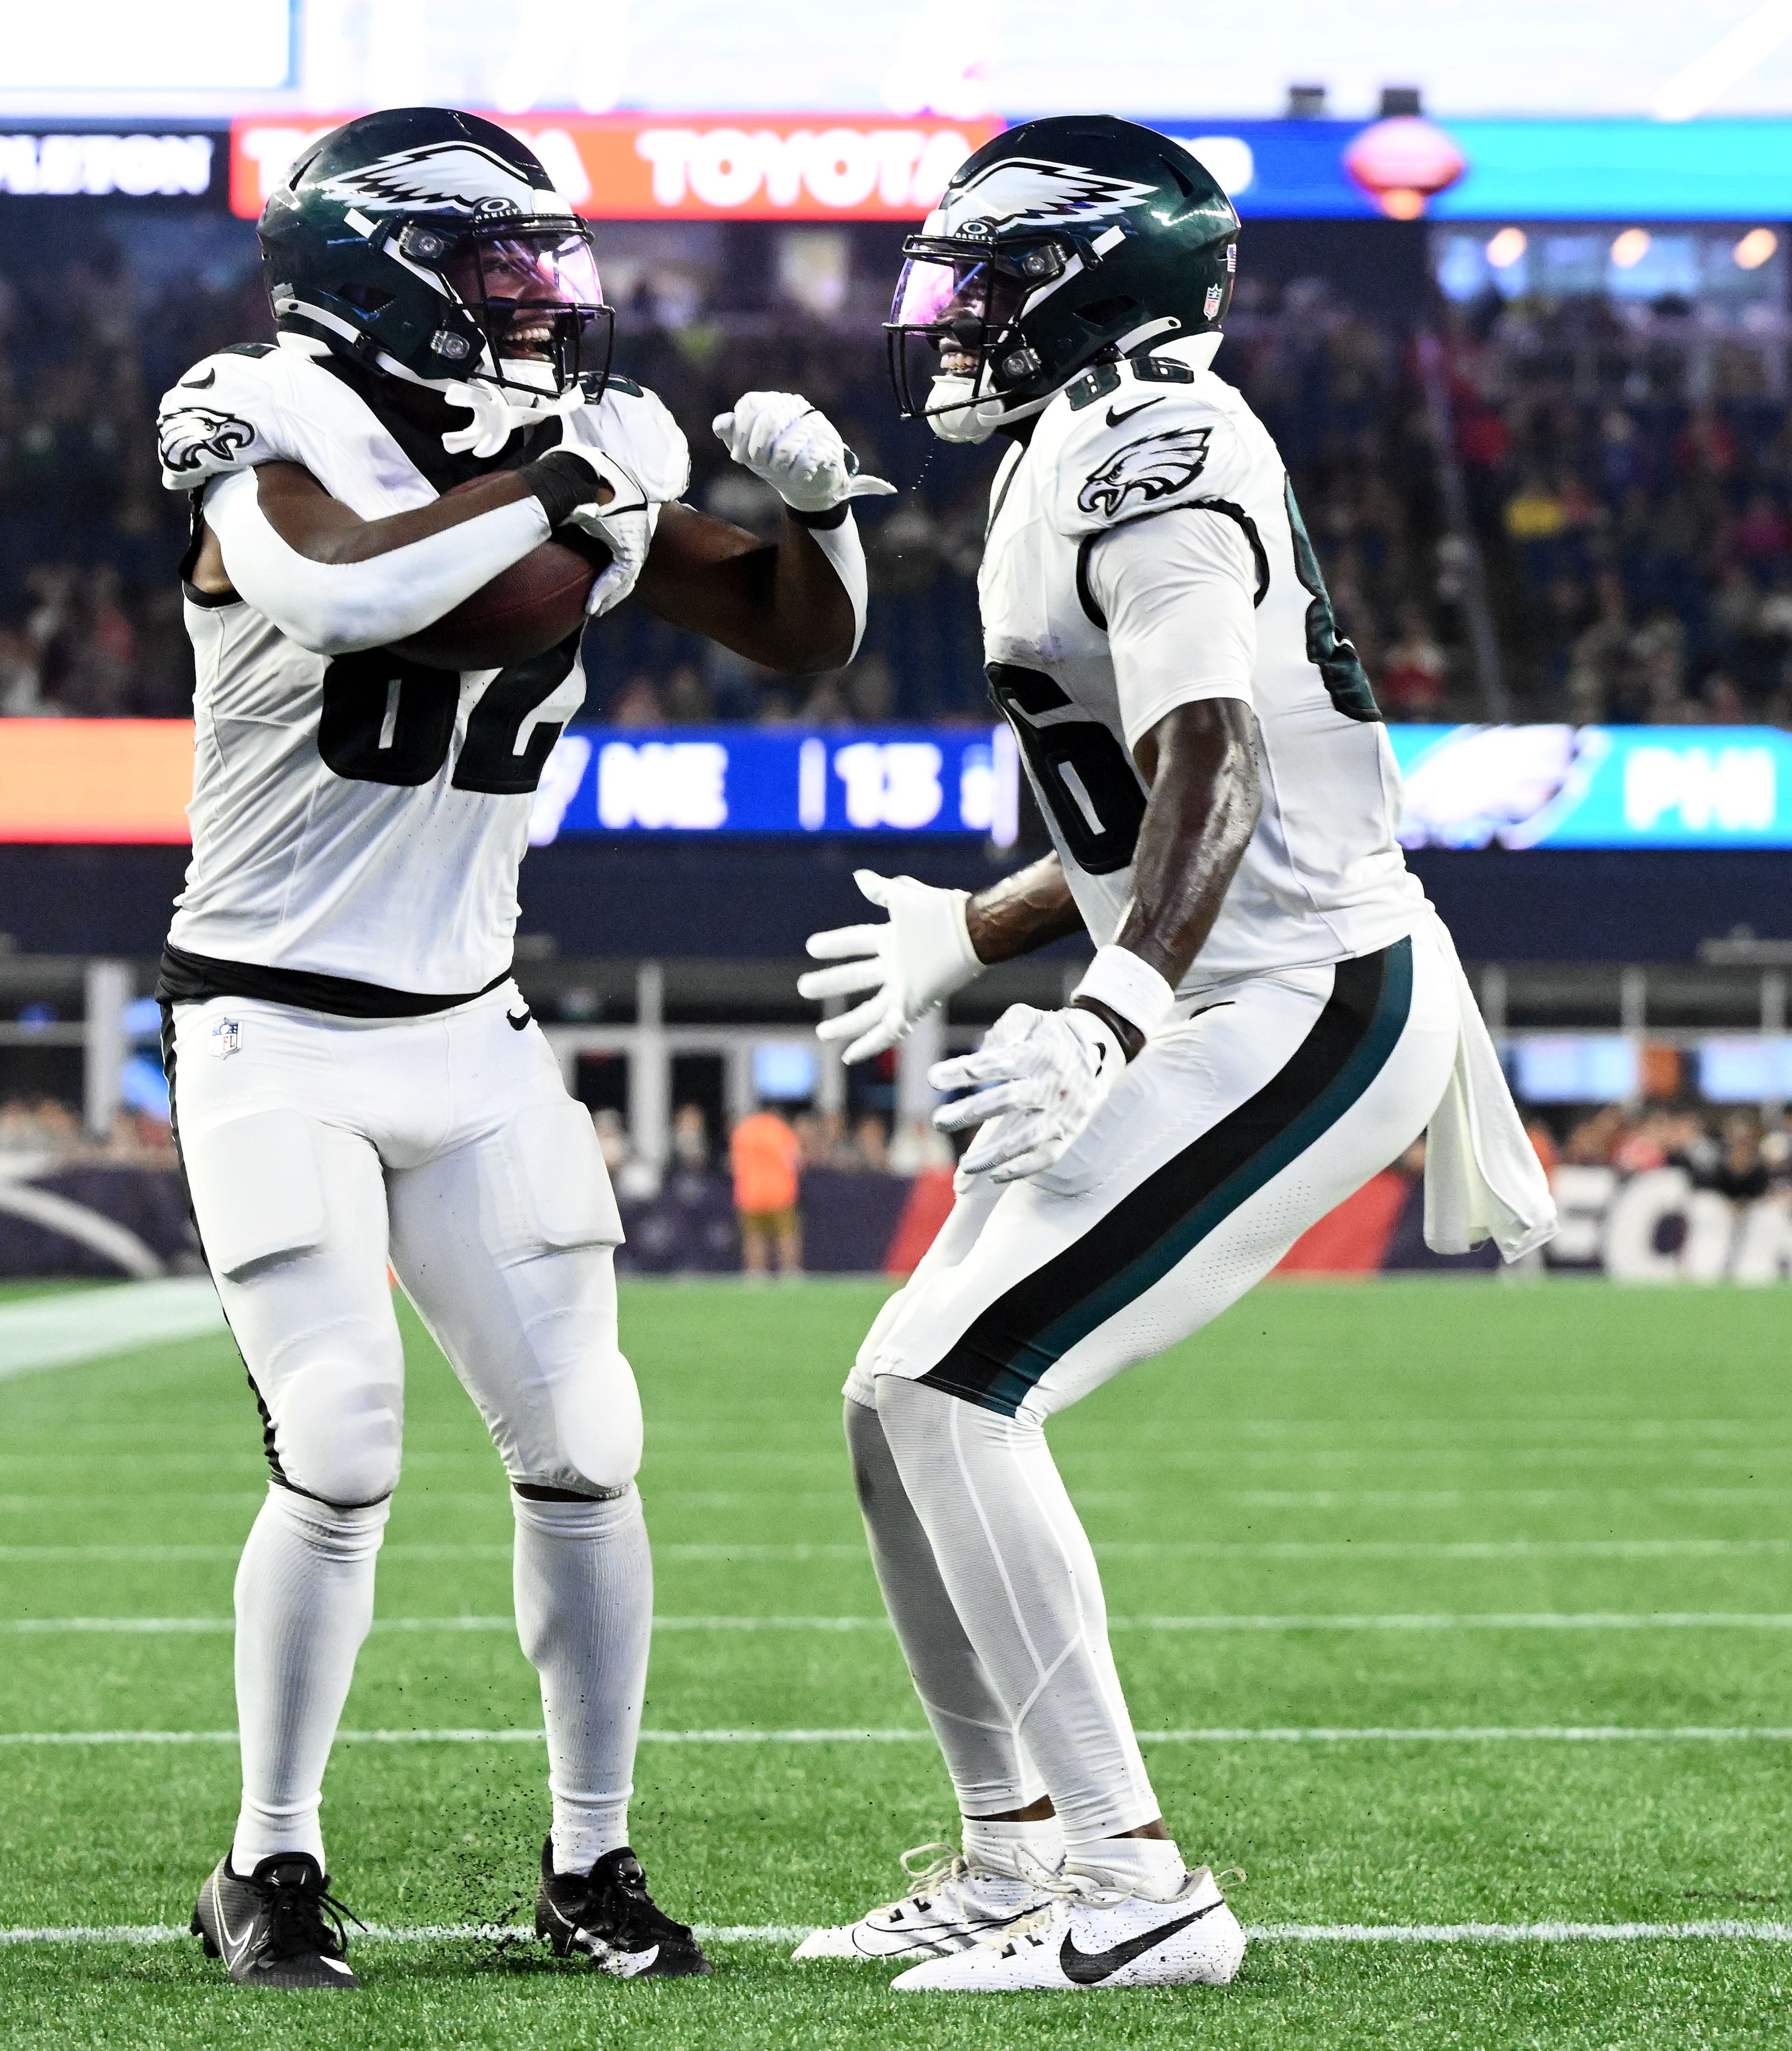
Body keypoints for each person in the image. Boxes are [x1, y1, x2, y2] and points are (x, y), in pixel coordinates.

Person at [789, 119, 1554, 1992]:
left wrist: (1114, 1003)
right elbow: (1146, 797)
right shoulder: (1074, 443)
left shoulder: (1158, 438)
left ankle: (1134, 1890)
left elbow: (1213, 752)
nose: (945, 322)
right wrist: (972, 932)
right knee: (895, 1391)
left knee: (966, 1379)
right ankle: (1005, 1860)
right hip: (1233, 971)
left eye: (976, 284)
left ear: (1075, 284)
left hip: (1303, 994)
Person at [157, 106, 882, 1988]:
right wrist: (573, 487)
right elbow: (347, 590)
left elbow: (790, 633)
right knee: (337, 1436)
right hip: (269, 1021)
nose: (540, 301)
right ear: (372, 267)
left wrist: (824, 514)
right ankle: (269, 1857)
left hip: (469, 1026)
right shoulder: (255, 404)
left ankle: (587, 1859)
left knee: (584, 1440)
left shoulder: (531, 451)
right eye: (496, 268)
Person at [729, 1102, 805, 1278]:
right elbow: (795, 1161)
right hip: (780, 1194)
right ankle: (790, 1274)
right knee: (786, 1237)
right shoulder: (782, 1131)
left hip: (751, 1194)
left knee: (754, 1238)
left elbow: (735, 1164)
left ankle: (755, 1274)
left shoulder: (744, 1131)